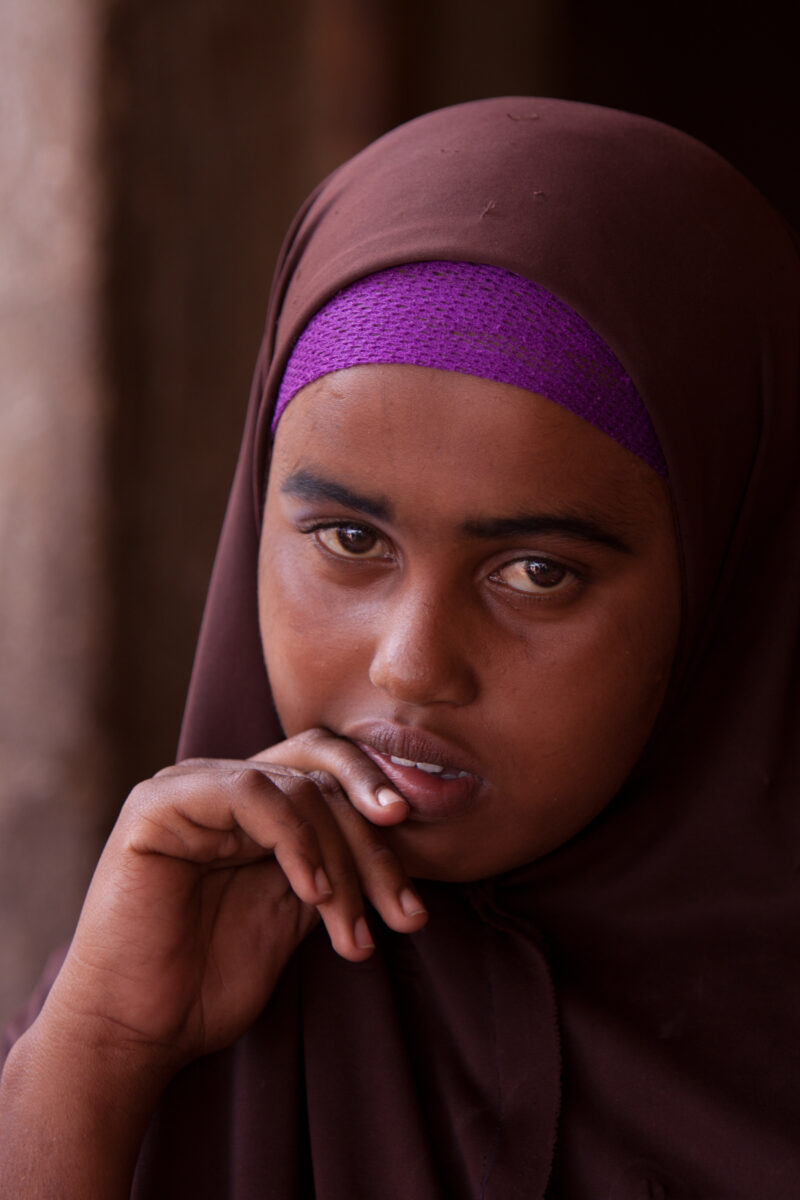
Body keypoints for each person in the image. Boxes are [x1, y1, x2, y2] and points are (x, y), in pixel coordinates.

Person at [1, 96, 799, 1199]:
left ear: (729, 583)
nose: (410, 665)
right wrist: (97, 1055)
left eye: (535, 571)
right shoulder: (168, 981)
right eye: (346, 539)